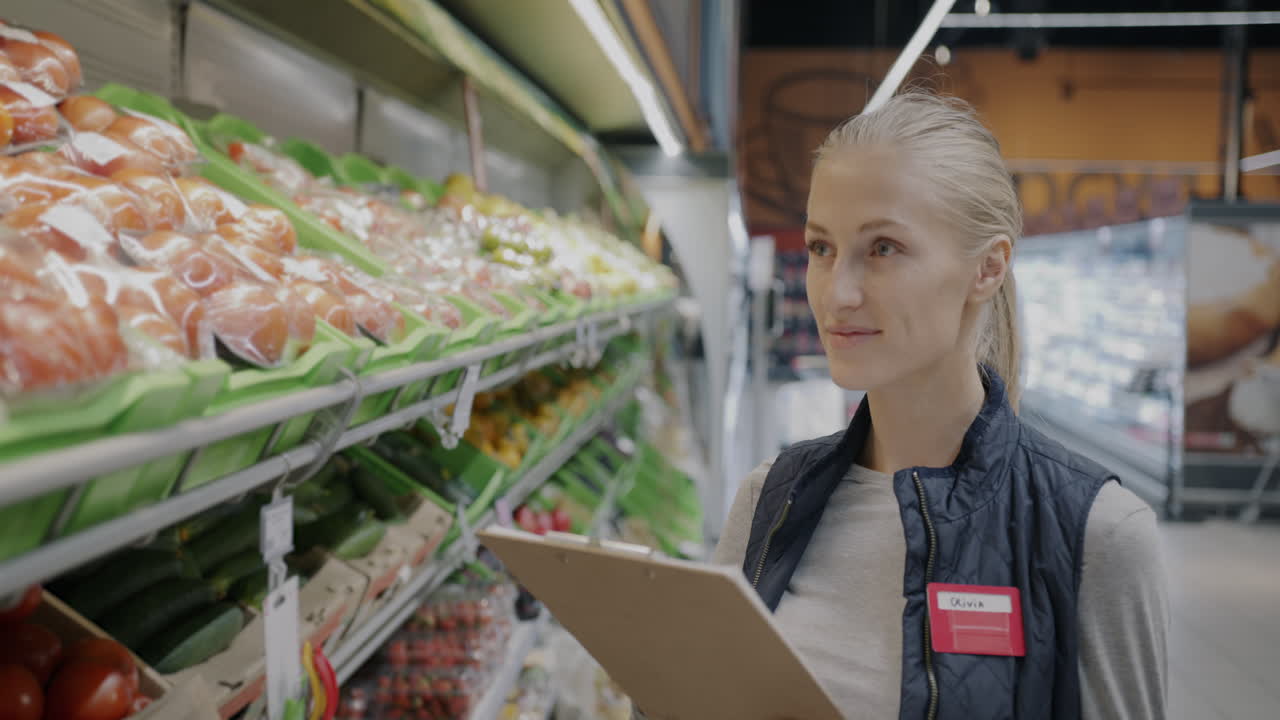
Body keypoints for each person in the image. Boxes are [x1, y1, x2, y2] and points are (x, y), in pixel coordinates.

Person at [712, 92, 1168, 719]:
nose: (837, 293)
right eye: (821, 248)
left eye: (883, 249)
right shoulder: (769, 499)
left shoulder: (1096, 531)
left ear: (987, 268)